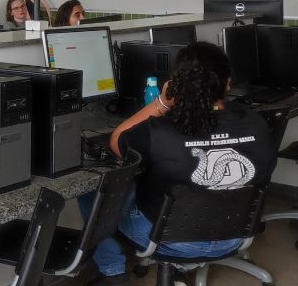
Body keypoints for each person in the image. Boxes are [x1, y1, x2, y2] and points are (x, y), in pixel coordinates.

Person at [82, 42, 276, 286]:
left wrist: (162, 103)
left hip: (168, 239)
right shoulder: (257, 123)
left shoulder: (159, 131)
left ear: (176, 87)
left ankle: (113, 272)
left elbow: (115, 140)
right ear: (228, 83)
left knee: (94, 187)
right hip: (237, 234)